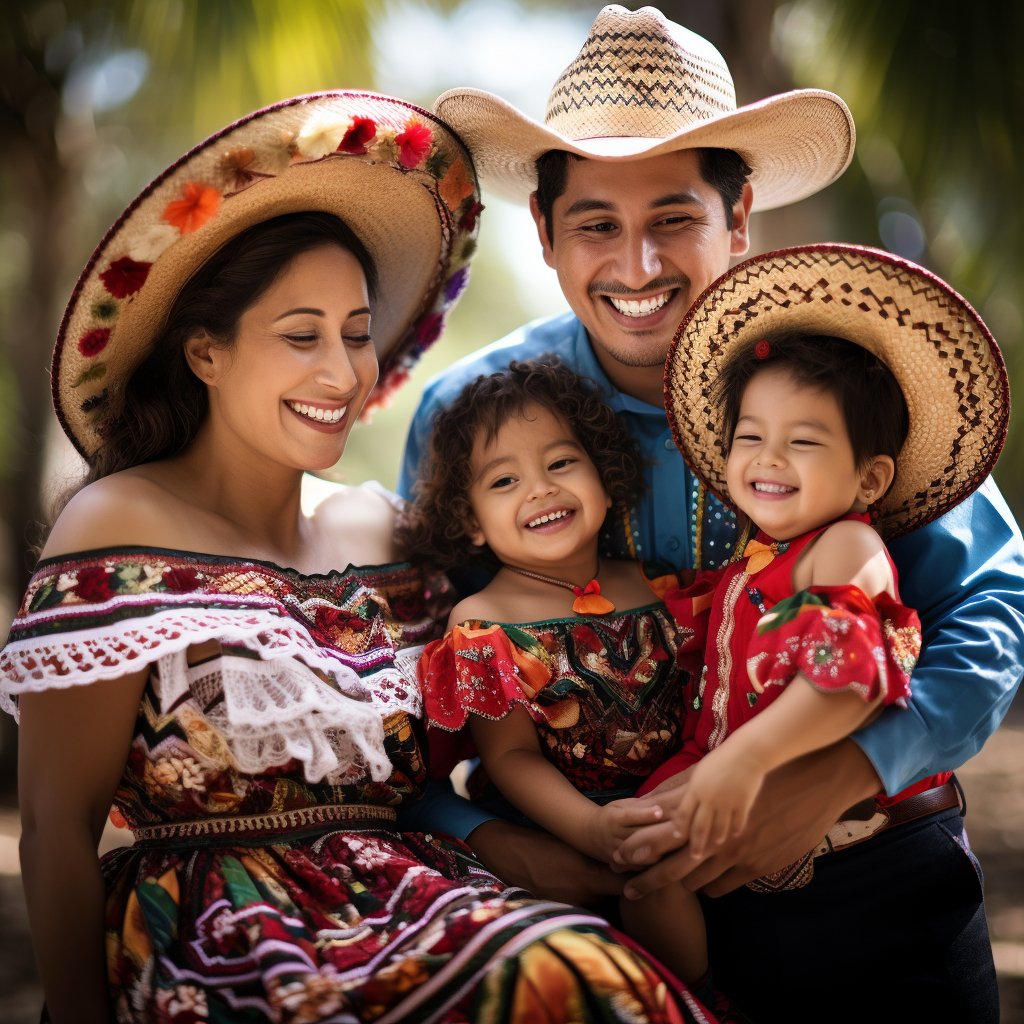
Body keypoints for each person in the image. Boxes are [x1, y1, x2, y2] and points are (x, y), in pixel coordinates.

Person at [0, 92, 714, 1024]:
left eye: (355, 333)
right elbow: (57, 826)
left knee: (588, 979)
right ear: (205, 353)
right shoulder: (116, 520)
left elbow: (475, 728)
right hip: (219, 932)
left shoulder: (388, 531)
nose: (342, 374)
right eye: (301, 337)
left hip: (427, 901)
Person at [398, 3, 1024, 1017]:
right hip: (605, 910)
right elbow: (406, 686)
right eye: (596, 223)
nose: (637, 265)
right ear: (546, 235)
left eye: (674, 220)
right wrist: (489, 840)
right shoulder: (471, 419)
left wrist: (842, 775)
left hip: (878, 875)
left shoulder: (839, 363)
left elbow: (993, 611)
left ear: (737, 222)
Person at [639, 242, 1008, 1019]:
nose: (769, 458)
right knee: (648, 873)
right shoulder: (753, 564)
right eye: (749, 436)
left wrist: (741, 760)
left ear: (869, 478)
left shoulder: (847, 547)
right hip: (762, 869)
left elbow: (849, 682)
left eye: (803, 442)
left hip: (881, 872)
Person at [398, 358, 719, 988]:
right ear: (469, 521)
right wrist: (591, 827)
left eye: (562, 463)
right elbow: (510, 757)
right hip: (557, 832)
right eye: (504, 481)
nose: (540, 489)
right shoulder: (483, 622)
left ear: (604, 475)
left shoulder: (656, 585)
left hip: (676, 814)